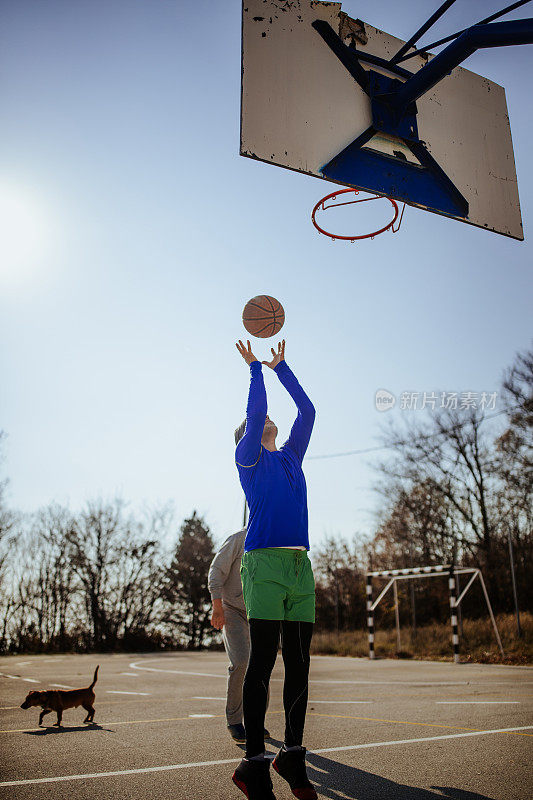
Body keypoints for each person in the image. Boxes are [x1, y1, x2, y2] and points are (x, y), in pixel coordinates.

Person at [231, 338, 317, 800]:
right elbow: (259, 406)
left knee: (300, 664)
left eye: (267, 419)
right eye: (257, 419)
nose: (267, 418)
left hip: (300, 565)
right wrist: (255, 371)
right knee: (263, 660)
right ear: (246, 433)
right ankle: (253, 764)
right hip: (262, 563)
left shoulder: (291, 457)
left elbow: (308, 413)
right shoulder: (250, 459)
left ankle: (293, 755)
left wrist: (282, 367)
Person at [208, 527, 270, 743]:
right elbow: (216, 570)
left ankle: (256, 721)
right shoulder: (237, 540)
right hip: (232, 609)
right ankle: (234, 721)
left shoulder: (273, 541)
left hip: (259, 610)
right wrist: (217, 606)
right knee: (242, 661)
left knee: (261, 664)